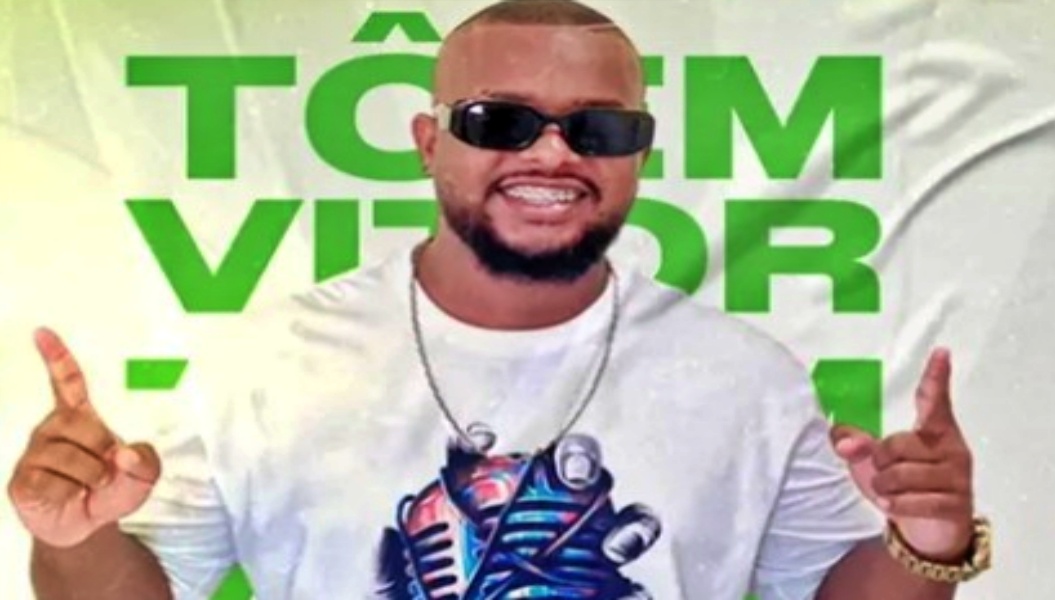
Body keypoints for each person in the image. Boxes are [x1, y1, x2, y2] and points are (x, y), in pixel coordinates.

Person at [7, 0, 991, 598]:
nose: (552, 154)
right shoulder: (269, 359)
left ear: (640, 155)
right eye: (500, 121)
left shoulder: (745, 378)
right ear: (428, 143)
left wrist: (926, 542)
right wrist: (73, 538)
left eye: (598, 128)